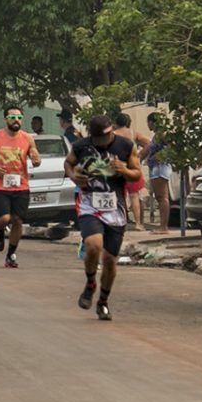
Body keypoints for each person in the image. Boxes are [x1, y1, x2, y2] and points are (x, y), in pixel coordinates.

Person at [65, 115, 142, 320]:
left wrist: (124, 169)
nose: (105, 141)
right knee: (93, 245)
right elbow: (68, 163)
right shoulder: (81, 146)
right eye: (100, 138)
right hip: (90, 204)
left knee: (109, 260)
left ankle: (103, 301)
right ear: (93, 136)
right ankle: (90, 283)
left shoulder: (126, 145)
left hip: (115, 209)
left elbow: (137, 174)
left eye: (108, 136)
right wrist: (74, 176)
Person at [0, 106, 41, 268]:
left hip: (21, 186)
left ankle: (10, 254)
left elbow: (35, 156)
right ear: (5, 119)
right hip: (1, 186)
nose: (16, 120)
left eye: (19, 117)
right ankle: (0, 231)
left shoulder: (27, 138)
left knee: (18, 221)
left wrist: (36, 160)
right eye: (13, 117)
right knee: (4, 219)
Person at [113, 113, 151, 231]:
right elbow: (149, 143)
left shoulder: (112, 135)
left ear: (116, 123)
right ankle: (138, 224)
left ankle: (122, 222)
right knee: (134, 196)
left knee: (120, 196)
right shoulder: (133, 133)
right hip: (132, 166)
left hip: (118, 167)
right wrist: (140, 155)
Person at [140, 113, 171, 234]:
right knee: (160, 197)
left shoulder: (162, 134)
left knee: (162, 197)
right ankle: (162, 226)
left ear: (152, 122)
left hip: (160, 167)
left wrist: (160, 156)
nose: (147, 125)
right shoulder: (156, 136)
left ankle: (164, 227)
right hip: (156, 167)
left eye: (148, 122)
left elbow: (171, 146)